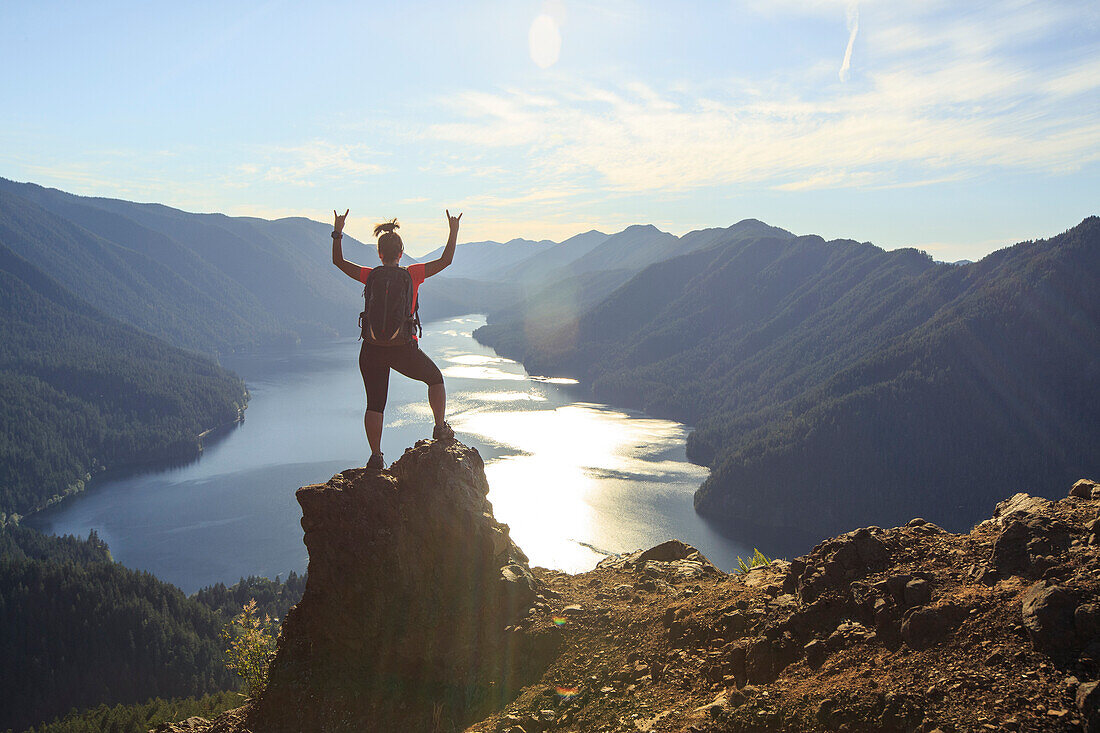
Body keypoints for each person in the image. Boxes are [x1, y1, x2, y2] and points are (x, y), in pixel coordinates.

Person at [331, 208, 462, 469]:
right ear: (401, 253)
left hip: (371, 349)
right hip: (404, 348)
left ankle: (376, 456)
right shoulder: (413, 274)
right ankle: (439, 427)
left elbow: (339, 262)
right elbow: (446, 260)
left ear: (379, 254)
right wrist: (453, 230)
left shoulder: (370, 275)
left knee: (375, 403)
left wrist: (338, 231)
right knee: (435, 379)